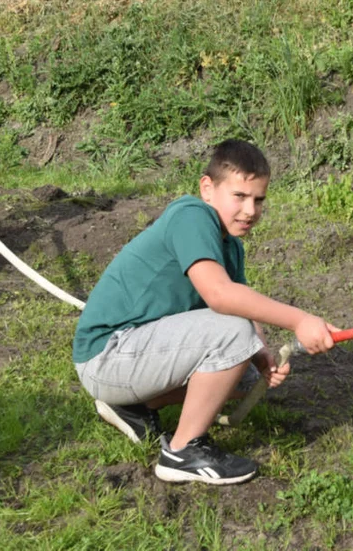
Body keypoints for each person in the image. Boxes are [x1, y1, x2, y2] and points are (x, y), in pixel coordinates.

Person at [72, 140, 339, 485]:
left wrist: (262, 359)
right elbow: (220, 296)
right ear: (207, 188)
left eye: (259, 200)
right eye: (240, 196)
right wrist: (300, 320)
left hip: (134, 357)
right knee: (232, 333)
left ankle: (134, 406)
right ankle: (182, 452)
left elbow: (241, 304)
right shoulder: (191, 215)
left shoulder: (231, 246)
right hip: (106, 356)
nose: (250, 210)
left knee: (245, 373)